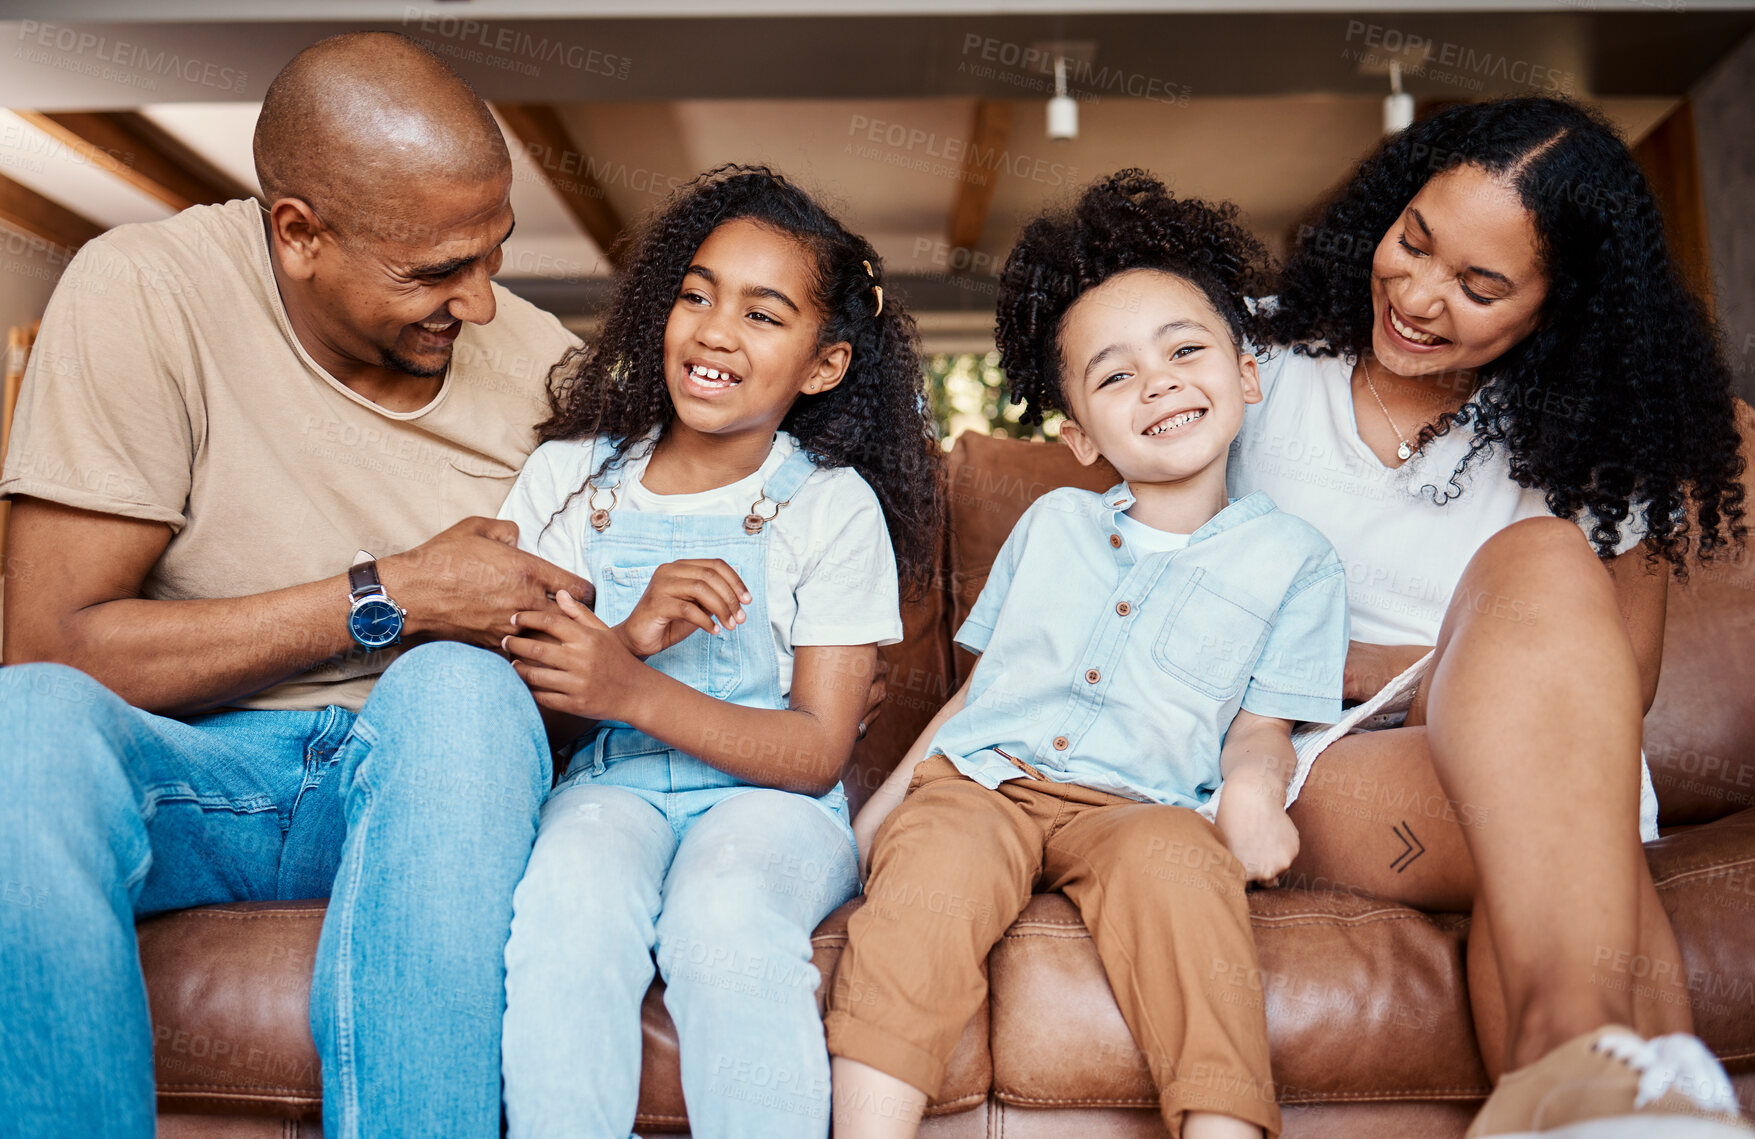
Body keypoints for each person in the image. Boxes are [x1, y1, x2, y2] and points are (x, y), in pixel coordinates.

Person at [0, 32, 588, 1139]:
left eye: (493, 251)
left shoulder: (548, 365)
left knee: (460, 692)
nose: (482, 304)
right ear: (299, 233)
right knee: (21, 725)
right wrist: (390, 592)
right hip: (194, 771)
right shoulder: (146, 291)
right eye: (435, 270)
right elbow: (49, 646)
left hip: (423, 784)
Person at [1232, 97, 1749, 1134]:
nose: (1418, 296)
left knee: (1545, 557)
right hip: (1306, 747)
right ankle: (1610, 1084)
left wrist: (1428, 669)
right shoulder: (1259, 359)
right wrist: (1435, 663)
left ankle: (1582, 1094)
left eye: (1480, 285)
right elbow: (1161, 582)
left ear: (1565, 304)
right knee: (1559, 820)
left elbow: (1621, 684)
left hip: (1547, 748)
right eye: (1413, 241)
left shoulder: (1602, 442)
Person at [828, 172, 1350, 1139]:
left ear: (1246, 374)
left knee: (1184, 875)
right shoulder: (1052, 523)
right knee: (927, 883)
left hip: (1141, 806)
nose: (1156, 382)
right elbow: (979, 693)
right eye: (1113, 375)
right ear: (1076, 433)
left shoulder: (1297, 561)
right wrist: (885, 806)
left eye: (1184, 350)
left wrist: (1250, 794)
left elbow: (1263, 726)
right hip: (986, 779)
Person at [494, 164, 944, 1139]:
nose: (713, 329)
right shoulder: (567, 480)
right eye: (696, 294)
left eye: (763, 313)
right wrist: (629, 641)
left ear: (822, 365)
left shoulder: (830, 505)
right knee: (567, 902)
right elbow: (524, 709)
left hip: (774, 808)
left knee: (728, 915)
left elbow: (819, 750)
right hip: (604, 785)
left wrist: (633, 687)